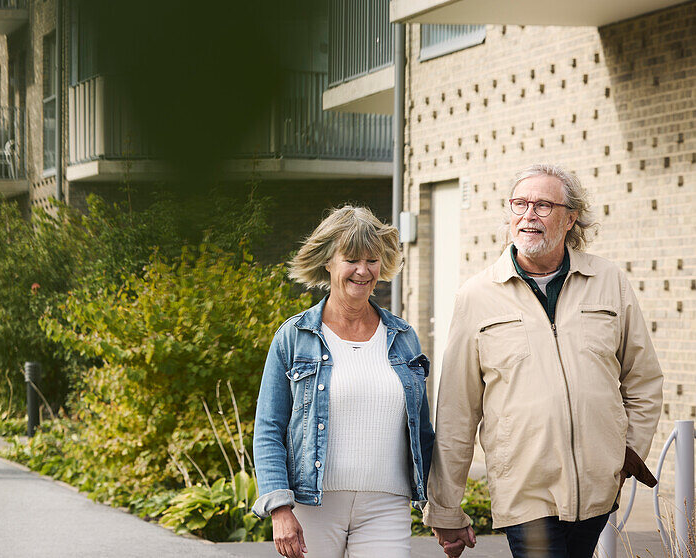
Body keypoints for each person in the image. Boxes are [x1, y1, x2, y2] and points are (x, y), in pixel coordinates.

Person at [425, 164, 663, 558]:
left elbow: (643, 379)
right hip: (525, 491)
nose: (528, 214)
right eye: (520, 203)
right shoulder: (477, 295)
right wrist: (446, 507)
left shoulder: (608, 281)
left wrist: (626, 456)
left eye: (543, 205)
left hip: (597, 488)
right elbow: (456, 410)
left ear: (570, 218)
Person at [252, 205, 435, 558]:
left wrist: (443, 507)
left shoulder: (403, 337)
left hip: (387, 505)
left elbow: (422, 431)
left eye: (372, 259)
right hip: (314, 507)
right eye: (351, 259)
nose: (363, 270)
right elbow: (268, 427)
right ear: (328, 262)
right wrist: (279, 507)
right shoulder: (295, 336)